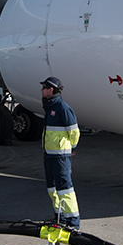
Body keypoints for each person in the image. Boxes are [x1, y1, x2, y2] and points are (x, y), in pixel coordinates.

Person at [40, 76, 80, 230]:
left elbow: (74, 132)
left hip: (60, 157)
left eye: (44, 87)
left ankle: (73, 223)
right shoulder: (49, 107)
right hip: (49, 155)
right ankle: (59, 216)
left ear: (51, 89)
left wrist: (71, 148)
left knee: (65, 189)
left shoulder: (63, 108)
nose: (41, 90)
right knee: (52, 189)